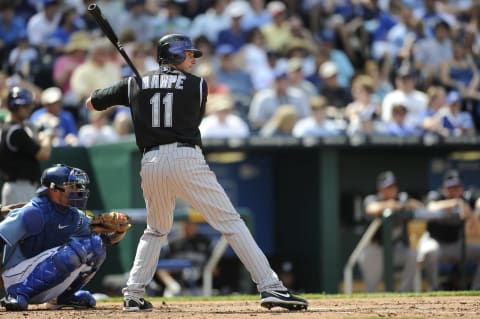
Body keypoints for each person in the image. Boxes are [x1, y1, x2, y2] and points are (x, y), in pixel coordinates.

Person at [86, 33, 308, 312]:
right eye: (188, 54)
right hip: (184, 156)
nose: (192, 59)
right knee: (231, 222)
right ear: (175, 55)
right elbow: (187, 112)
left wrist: (133, 90)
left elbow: (92, 103)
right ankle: (270, 287)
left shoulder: (135, 82)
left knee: (156, 230)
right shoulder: (198, 85)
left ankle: (133, 292)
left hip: (151, 161)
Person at [0, 164, 105, 311]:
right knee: (71, 252)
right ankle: (18, 295)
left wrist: (117, 231)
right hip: (16, 277)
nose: (78, 190)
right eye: (72, 186)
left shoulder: (73, 215)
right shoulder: (33, 212)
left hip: (44, 276)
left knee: (96, 245)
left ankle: (63, 297)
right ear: (54, 189)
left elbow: (101, 235)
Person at [359, 170, 422, 293]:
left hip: (395, 248)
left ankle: (404, 293)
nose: (390, 190)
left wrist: (402, 204)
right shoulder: (372, 199)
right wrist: (391, 205)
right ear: (380, 189)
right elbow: (371, 208)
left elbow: (419, 206)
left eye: (392, 187)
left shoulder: (402, 199)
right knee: (371, 290)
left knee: (412, 255)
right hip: (375, 249)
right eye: (387, 187)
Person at [417, 169, 480, 291]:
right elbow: (431, 207)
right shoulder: (437, 195)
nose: (454, 190)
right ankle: (434, 289)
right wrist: (456, 203)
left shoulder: (466, 197)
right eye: (451, 187)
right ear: (445, 187)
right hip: (435, 242)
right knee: (430, 251)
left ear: (461, 186)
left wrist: (475, 211)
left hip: (455, 244)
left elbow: (478, 200)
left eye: (457, 186)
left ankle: (477, 289)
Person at [0, 87, 52, 205]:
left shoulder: (13, 129)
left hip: (19, 187)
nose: (28, 109)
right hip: (19, 188)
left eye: (29, 105)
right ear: (13, 107)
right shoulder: (15, 131)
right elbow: (44, 154)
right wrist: (47, 136)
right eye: (24, 106)